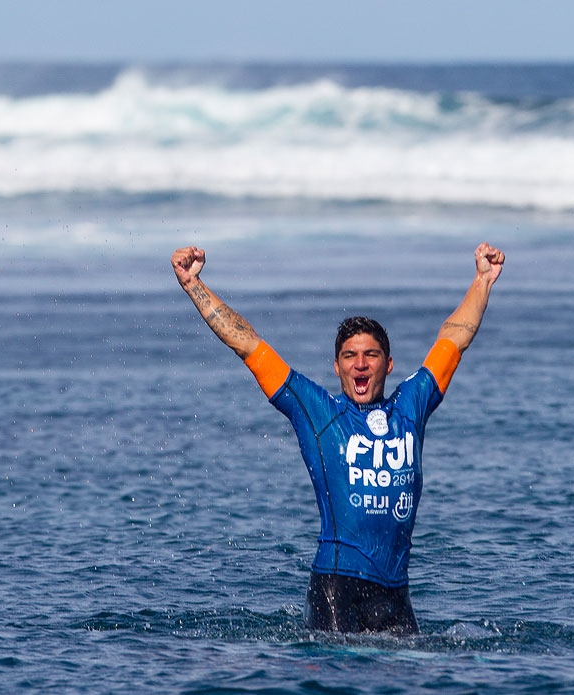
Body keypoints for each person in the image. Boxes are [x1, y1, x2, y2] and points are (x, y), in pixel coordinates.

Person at [171, 242, 505, 634]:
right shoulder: (317, 411)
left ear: (388, 363)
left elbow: (454, 339)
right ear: (337, 366)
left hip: (396, 592)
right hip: (336, 589)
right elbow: (247, 344)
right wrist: (194, 284)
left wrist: (482, 280)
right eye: (349, 356)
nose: (360, 364)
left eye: (371, 355)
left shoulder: (411, 406)